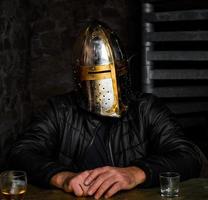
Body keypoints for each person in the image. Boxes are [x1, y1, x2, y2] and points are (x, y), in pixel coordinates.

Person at [9, 21, 203, 199]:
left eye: (110, 72)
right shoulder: (60, 110)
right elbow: (21, 152)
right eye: (94, 75)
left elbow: (188, 156)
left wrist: (135, 173)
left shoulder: (146, 108)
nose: (103, 85)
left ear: (123, 70)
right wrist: (62, 178)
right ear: (80, 78)